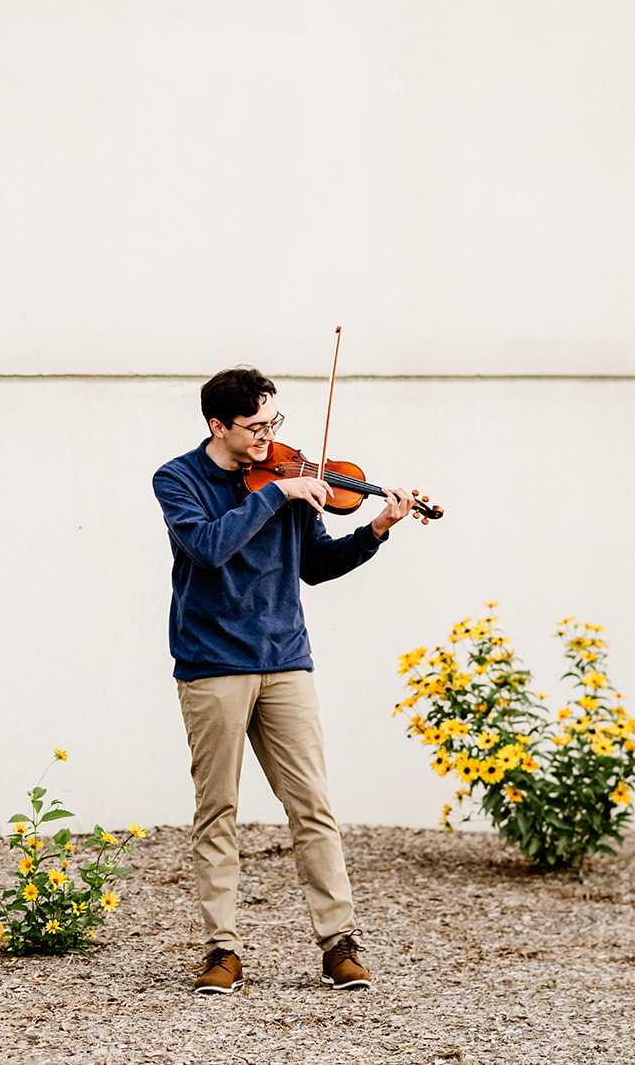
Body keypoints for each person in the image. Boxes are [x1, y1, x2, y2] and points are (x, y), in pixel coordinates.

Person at [152, 365, 414, 995]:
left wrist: (375, 530)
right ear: (219, 426)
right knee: (217, 811)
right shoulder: (178, 479)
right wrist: (276, 494)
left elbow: (315, 567)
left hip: (286, 658)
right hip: (213, 663)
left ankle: (338, 943)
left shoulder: (293, 476)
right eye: (257, 426)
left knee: (313, 808)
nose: (270, 436)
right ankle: (222, 949)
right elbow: (208, 548)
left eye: (275, 421)